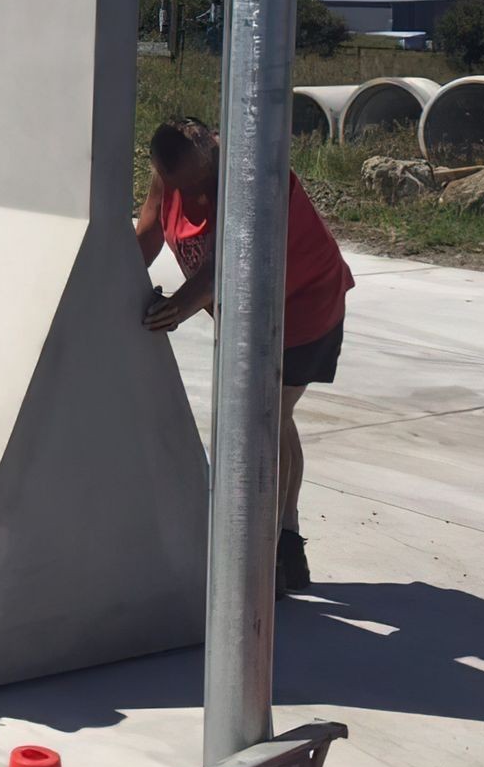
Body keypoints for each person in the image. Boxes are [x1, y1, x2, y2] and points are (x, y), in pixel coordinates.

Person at [136, 117, 354, 596]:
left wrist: (170, 311)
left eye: (194, 184)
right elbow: (148, 238)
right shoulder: (169, 172)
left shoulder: (249, 178)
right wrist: (110, 278)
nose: (186, 195)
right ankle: (287, 544)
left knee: (264, 420)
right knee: (276, 416)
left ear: (212, 154)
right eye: (175, 185)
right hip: (248, 316)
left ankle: (264, 560)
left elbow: (220, 269)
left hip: (301, 308)